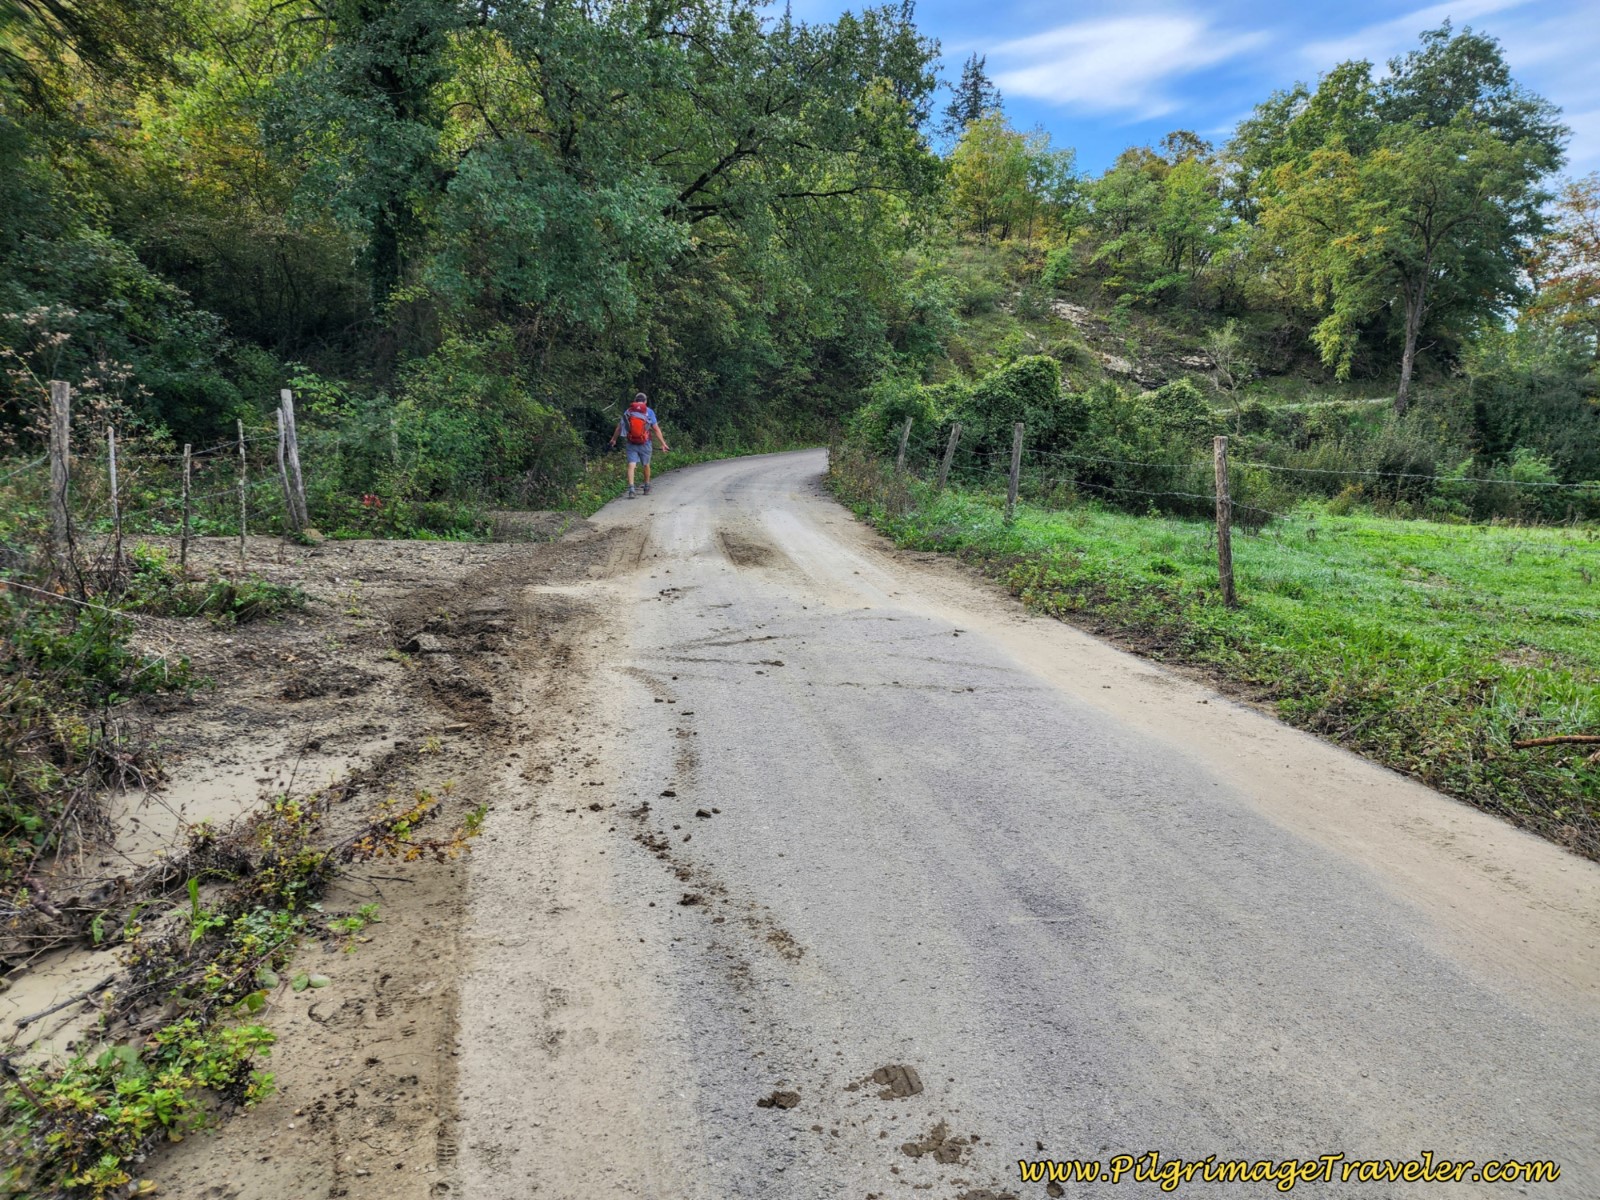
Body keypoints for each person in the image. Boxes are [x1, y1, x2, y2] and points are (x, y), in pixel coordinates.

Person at [609, 392, 670, 497]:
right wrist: (663, 443)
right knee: (646, 465)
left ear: (635, 401)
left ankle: (631, 489)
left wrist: (613, 439)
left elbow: (619, 427)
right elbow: (656, 429)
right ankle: (646, 487)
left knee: (631, 465)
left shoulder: (628, 411)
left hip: (631, 442)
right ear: (645, 401)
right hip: (645, 442)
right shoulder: (649, 412)